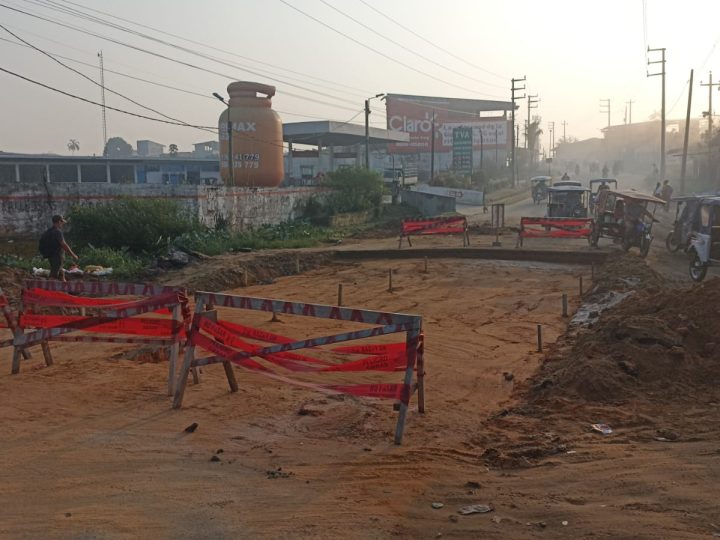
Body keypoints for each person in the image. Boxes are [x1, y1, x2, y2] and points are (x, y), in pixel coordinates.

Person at [40, 214, 78, 281]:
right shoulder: (57, 232)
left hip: (50, 256)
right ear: (59, 222)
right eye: (62, 222)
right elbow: (64, 244)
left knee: (60, 271)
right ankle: (49, 289)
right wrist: (73, 255)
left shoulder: (48, 231)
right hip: (57, 256)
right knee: (54, 274)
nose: (62, 224)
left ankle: (64, 284)